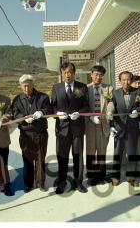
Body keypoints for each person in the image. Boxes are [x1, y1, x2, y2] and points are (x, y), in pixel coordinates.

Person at [51, 62, 89, 194]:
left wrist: (79, 113)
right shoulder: (56, 88)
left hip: (77, 127)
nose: (68, 75)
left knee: (78, 156)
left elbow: (86, 106)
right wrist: (57, 114)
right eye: (65, 72)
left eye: (70, 72)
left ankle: (78, 182)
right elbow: (52, 107)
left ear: (74, 73)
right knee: (62, 156)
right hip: (62, 129)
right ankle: (61, 182)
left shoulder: (82, 87)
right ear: (61, 73)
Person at [12, 74, 53, 192]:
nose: (26, 89)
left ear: (32, 84)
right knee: (27, 159)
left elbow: (49, 109)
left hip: (40, 133)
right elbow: (14, 113)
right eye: (24, 86)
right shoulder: (17, 99)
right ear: (20, 86)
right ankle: (28, 183)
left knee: (40, 158)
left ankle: (40, 182)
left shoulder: (43, 97)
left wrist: (41, 112)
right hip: (25, 134)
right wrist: (23, 117)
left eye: (28, 86)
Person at [109, 71, 140, 187]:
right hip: (119, 128)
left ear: (132, 80)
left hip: (132, 128)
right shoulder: (115, 93)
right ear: (120, 81)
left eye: (129, 79)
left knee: (131, 154)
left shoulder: (138, 92)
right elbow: (111, 108)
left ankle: (131, 177)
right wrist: (111, 125)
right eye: (124, 80)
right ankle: (115, 176)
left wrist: (138, 111)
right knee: (117, 154)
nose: (126, 82)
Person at [85, 65, 114, 186]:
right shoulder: (84, 89)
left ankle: (101, 175)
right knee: (91, 151)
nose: (98, 77)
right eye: (96, 74)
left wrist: (109, 112)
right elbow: (82, 105)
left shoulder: (108, 88)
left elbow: (111, 102)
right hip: (90, 124)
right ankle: (91, 176)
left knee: (102, 151)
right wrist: (90, 116)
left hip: (103, 123)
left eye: (101, 75)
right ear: (91, 75)